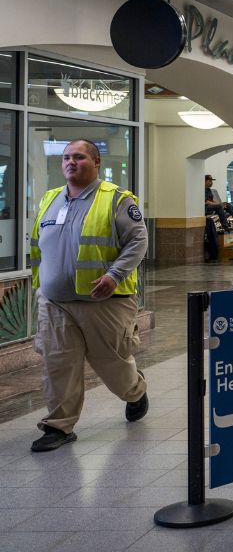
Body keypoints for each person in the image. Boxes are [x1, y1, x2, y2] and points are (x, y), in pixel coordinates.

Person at [29, 140, 148, 452]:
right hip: (55, 302)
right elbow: (36, 246)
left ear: (96, 162)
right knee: (58, 364)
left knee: (111, 363)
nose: (71, 162)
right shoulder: (50, 199)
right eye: (67, 157)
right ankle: (59, 425)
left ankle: (134, 389)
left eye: (79, 157)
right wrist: (40, 288)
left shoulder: (117, 198)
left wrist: (114, 275)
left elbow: (137, 240)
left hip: (103, 301)